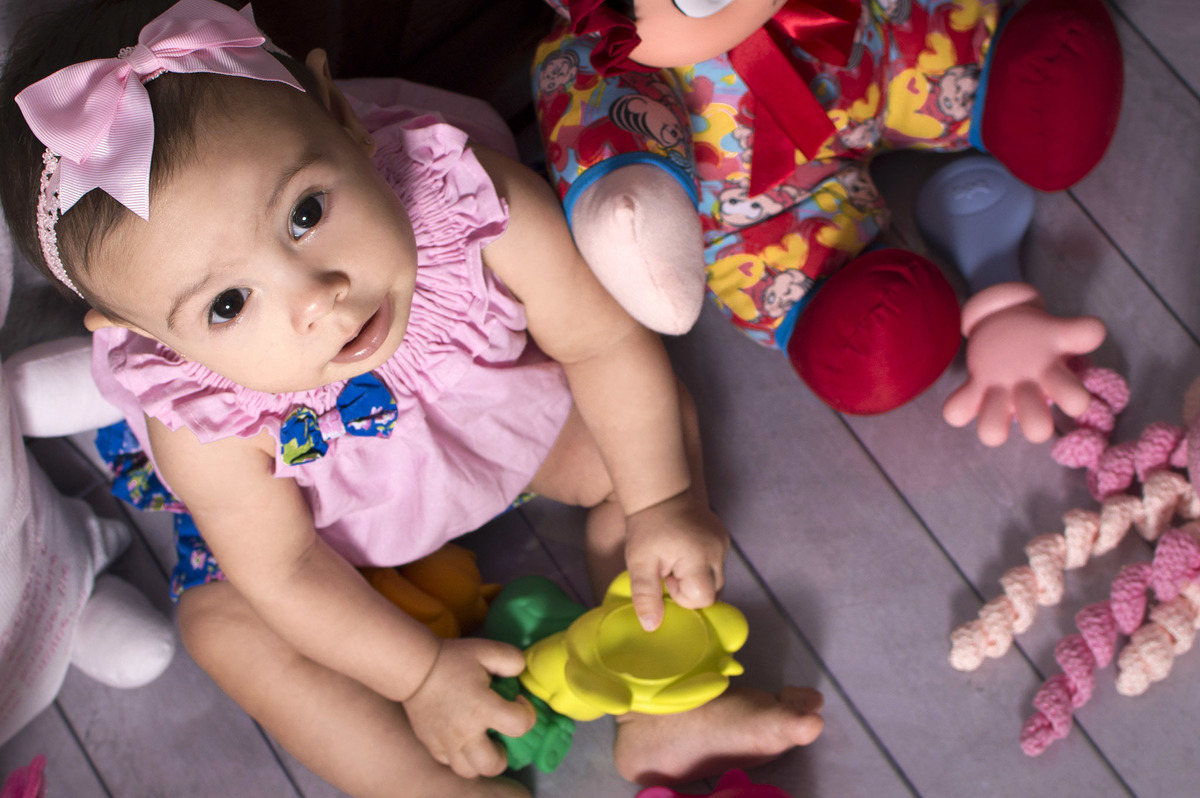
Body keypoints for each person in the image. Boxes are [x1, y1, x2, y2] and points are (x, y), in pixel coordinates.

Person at [0, 1, 824, 796]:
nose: (316, 298)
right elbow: (284, 569)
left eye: (306, 212)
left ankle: (667, 692)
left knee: (651, 441)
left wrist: (659, 503)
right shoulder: (201, 416)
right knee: (226, 627)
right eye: (226, 305)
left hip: (495, 428)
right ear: (149, 335)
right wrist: (420, 673)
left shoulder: (471, 204)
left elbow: (601, 340)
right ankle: (422, 786)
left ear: (341, 120)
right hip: (326, 538)